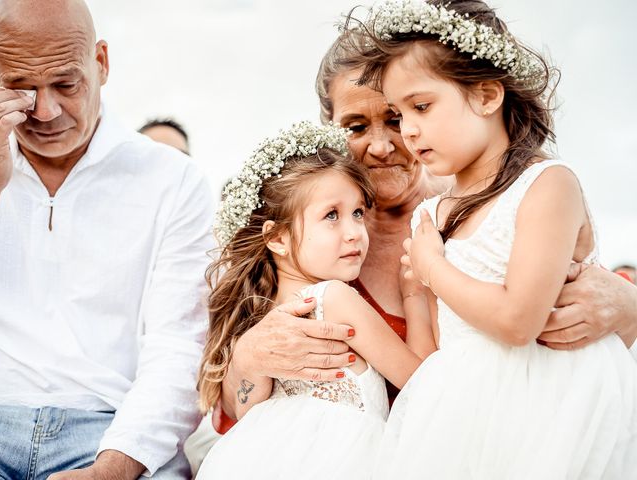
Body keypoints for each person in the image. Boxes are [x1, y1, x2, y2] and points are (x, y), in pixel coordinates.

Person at [212, 20, 637, 436]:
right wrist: (248, 358)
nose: (381, 146)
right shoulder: (305, 244)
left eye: (398, 117)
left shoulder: (499, 205)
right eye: (356, 127)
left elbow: (566, 299)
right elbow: (236, 413)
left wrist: (630, 303)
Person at [346, 0, 637, 477]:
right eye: (400, 115)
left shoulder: (546, 185)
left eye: (421, 106)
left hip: (552, 406)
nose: (409, 131)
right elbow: (443, 343)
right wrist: (417, 290)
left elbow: (519, 321)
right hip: (464, 411)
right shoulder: (432, 213)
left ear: (485, 96)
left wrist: (433, 269)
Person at [0, 0, 214, 478]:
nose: (46, 110)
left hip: (115, 432)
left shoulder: (174, 181)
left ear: (101, 63)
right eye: (21, 88)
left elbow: (180, 348)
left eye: (65, 84)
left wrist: (111, 469)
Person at [195, 122, 433, 479]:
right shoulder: (335, 298)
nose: (354, 232)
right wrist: (415, 294)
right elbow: (423, 384)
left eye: (357, 213)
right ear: (277, 238)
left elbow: (245, 411)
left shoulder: (262, 315)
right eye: (331, 216)